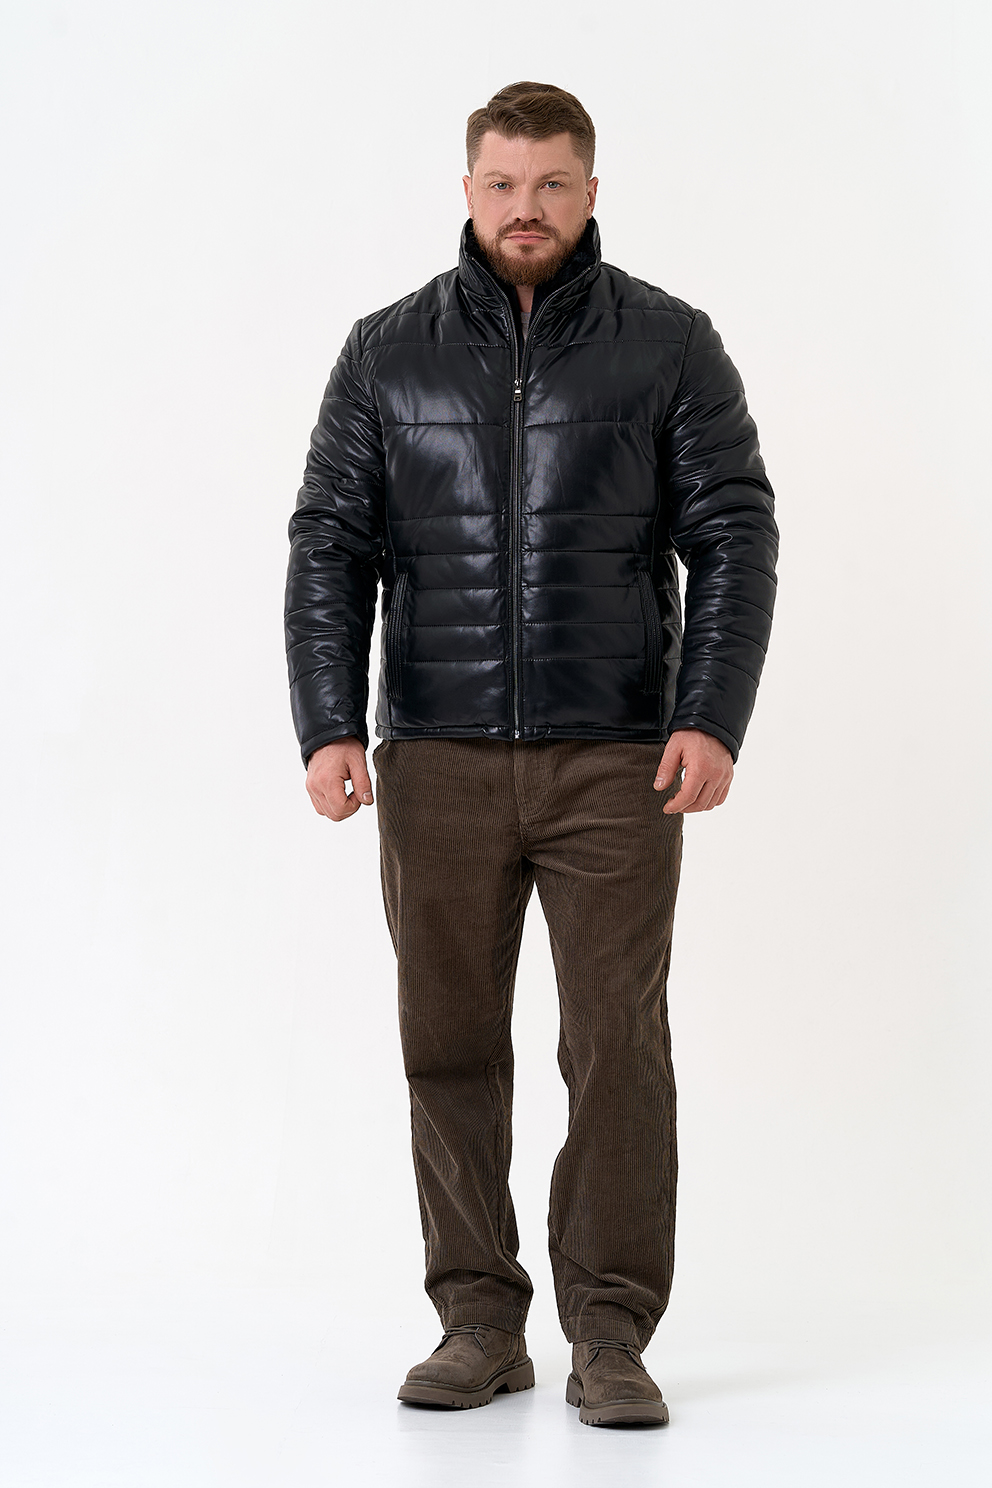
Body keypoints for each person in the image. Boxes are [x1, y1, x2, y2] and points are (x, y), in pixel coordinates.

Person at [284, 80, 778, 1428]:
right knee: (447, 1043)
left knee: (616, 1048)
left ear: (591, 192)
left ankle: (609, 1333)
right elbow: (331, 540)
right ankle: (478, 1323)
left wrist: (709, 713)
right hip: (434, 757)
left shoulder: (669, 343)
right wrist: (328, 720)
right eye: (503, 184)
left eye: (552, 184)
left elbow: (734, 531)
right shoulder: (386, 352)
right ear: (467, 190)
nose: (526, 208)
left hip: (617, 758)